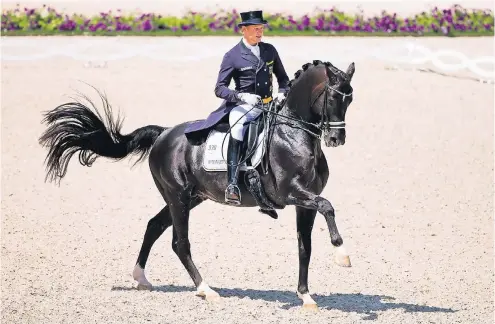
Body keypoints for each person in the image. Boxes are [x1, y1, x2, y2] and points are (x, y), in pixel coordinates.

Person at [183, 10, 290, 205]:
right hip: (244, 106)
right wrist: (241, 95)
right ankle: (232, 184)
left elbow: (283, 79)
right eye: (256, 29)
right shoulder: (232, 56)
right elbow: (220, 88)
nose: (259, 32)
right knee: (238, 127)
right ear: (244, 30)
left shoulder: (270, 51)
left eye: (261, 29)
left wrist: (282, 92)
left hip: (270, 105)